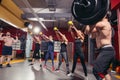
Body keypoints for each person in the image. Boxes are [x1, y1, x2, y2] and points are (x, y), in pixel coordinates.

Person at [84, 13, 115, 80]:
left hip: (107, 50)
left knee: (96, 70)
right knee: (104, 72)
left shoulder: (105, 24)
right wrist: (88, 22)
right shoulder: (100, 27)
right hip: (105, 50)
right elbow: (87, 32)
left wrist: (89, 17)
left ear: (105, 15)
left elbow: (93, 25)